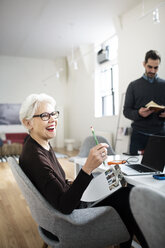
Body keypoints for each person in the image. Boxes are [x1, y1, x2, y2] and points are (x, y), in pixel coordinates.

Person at [19, 93, 148, 248]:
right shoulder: (35, 157)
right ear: (28, 123)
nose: (53, 119)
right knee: (127, 194)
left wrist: (85, 182)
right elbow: (65, 206)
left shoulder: (38, 145)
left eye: (54, 114)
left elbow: (57, 184)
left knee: (118, 181)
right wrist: (87, 168)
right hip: (69, 219)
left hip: (69, 203)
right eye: (45, 115)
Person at [123, 50, 165, 155]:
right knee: (134, 168)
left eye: (156, 67)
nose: (153, 70)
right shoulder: (133, 86)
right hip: (138, 136)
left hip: (160, 135)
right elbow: (126, 111)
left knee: (159, 170)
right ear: (144, 64)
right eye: (150, 67)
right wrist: (138, 113)